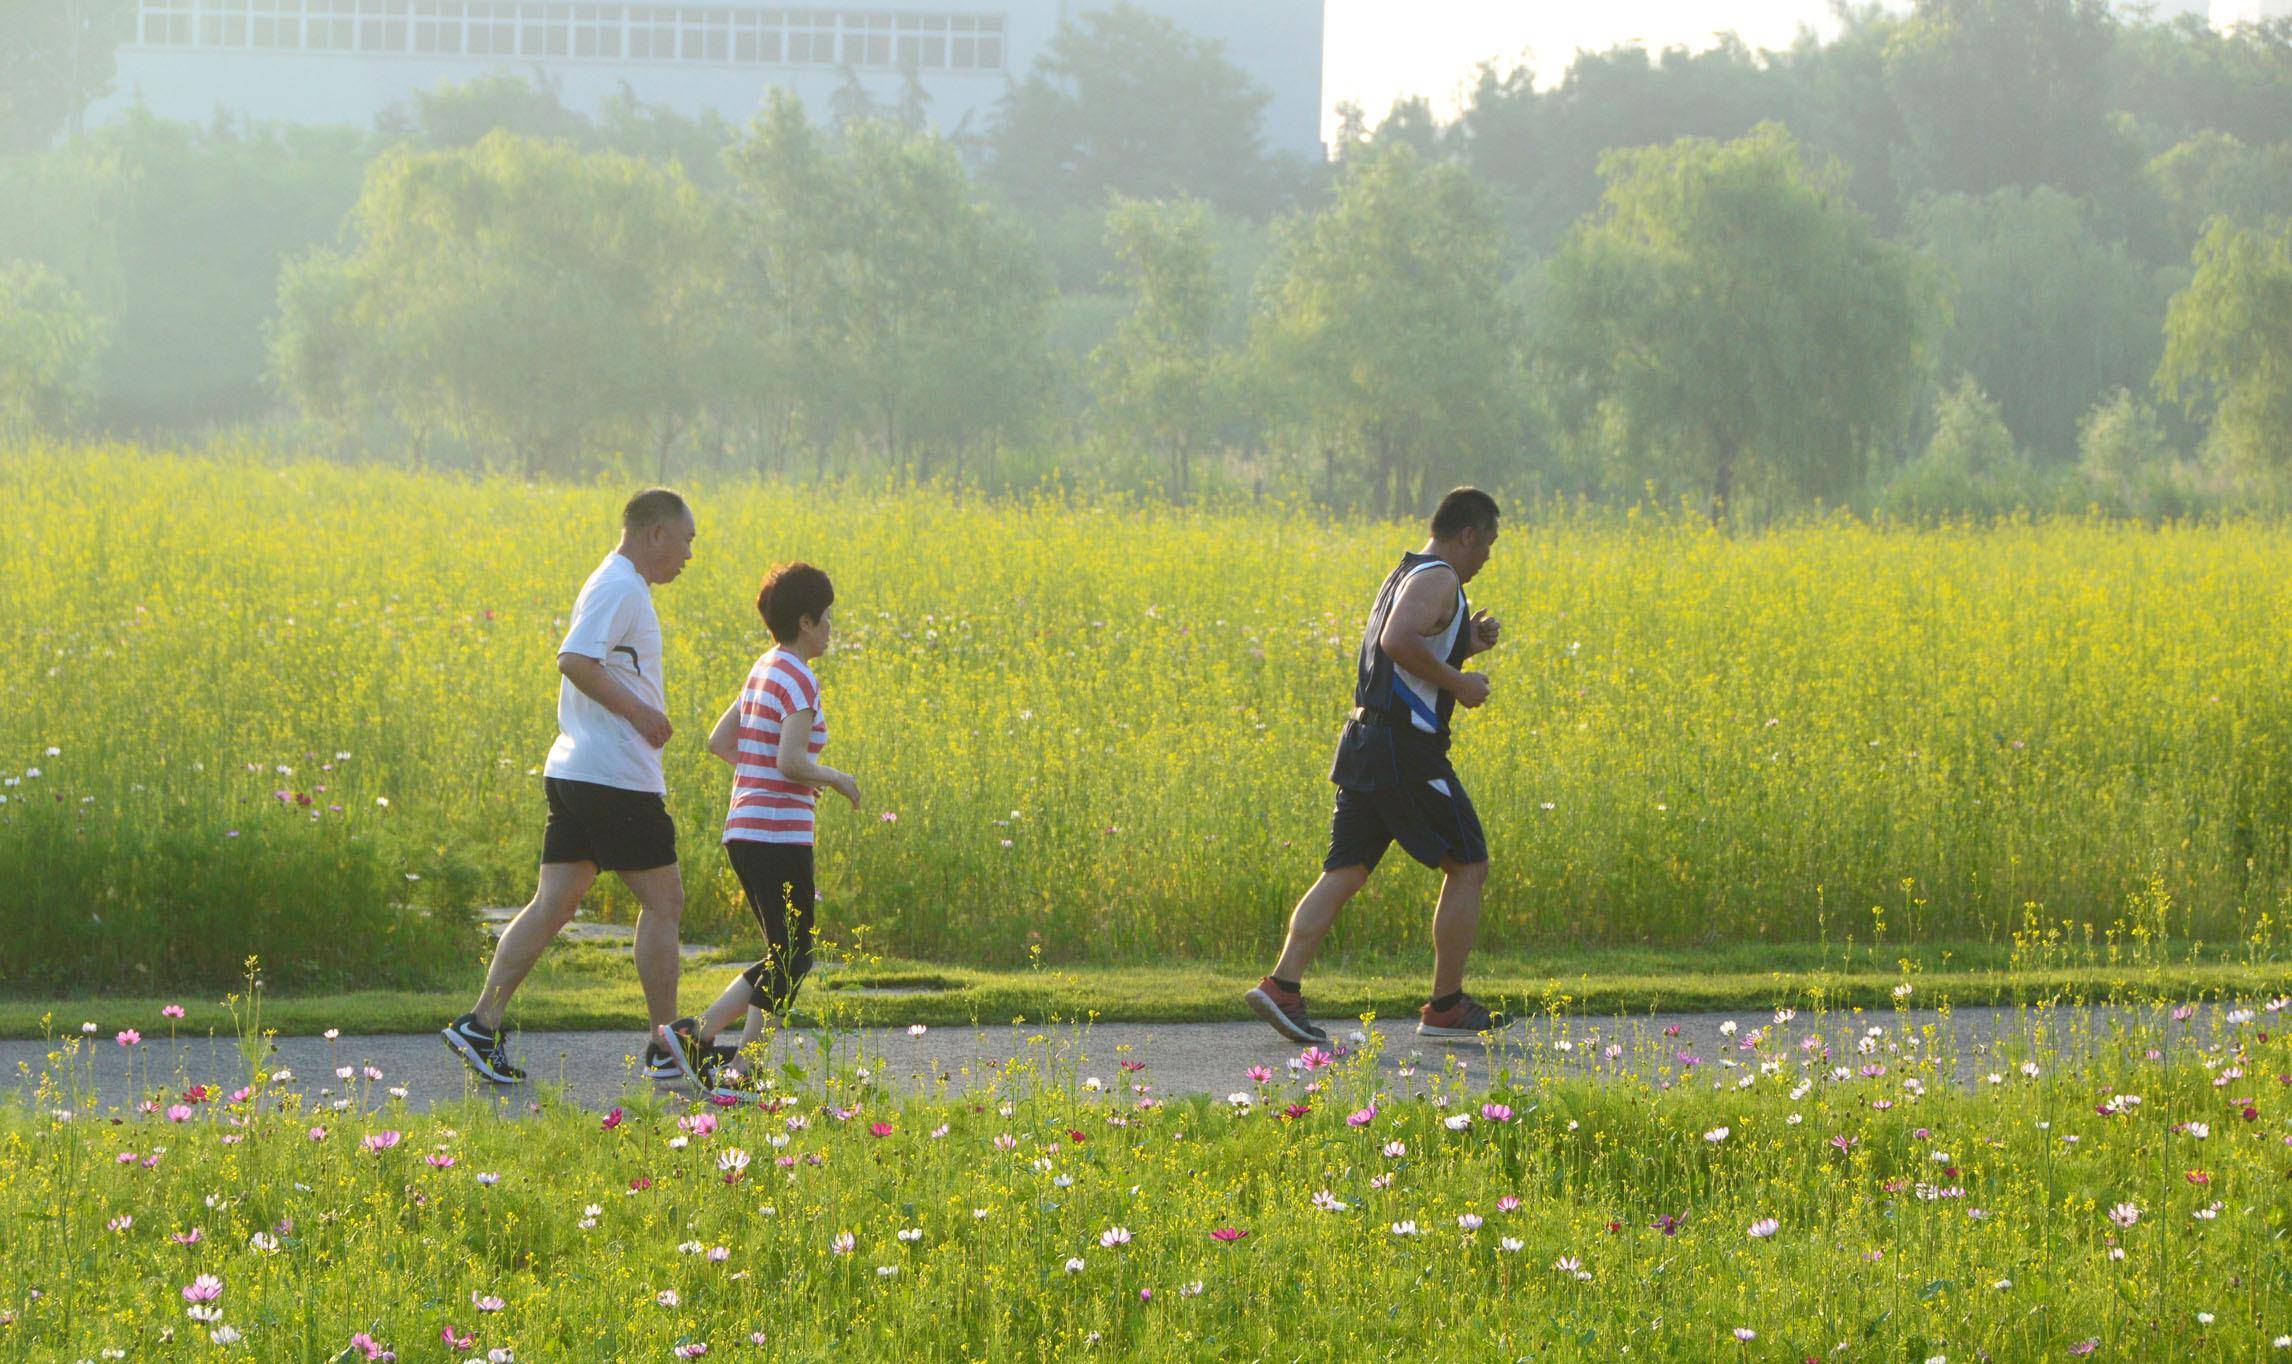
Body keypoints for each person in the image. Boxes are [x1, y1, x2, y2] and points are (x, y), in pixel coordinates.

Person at [442, 489, 696, 1083]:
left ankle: (480, 1023)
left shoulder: (618, 583)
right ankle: (666, 1045)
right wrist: (640, 713)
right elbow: (575, 660)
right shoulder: (620, 585)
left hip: (581, 771)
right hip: (613, 777)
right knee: (665, 902)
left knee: (554, 904)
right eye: (687, 539)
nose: (690, 554)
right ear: (656, 533)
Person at [1244, 487, 1509, 1046]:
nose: (1488, 555)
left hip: (1367, 741)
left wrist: (1464, 643)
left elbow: (1409, 651)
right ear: (1467, 534)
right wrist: (1460, 683)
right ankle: (1446, 1007)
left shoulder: (1407, 571)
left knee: (1346, 870)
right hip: (1405, 749)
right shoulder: (1439, 578)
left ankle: (1282, 986)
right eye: (1488, 542)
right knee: (1469, 865)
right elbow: (1396, 642)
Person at [655, 561, 859, 1091]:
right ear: (806, 622)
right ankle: (727, 1057)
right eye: (827, 617)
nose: (831, 627)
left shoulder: (764, 668)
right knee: (793, 957)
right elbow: (790, 762)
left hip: (745, 829)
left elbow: (721, 741)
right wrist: (834, 778)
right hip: (778, 835)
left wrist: (769, 776)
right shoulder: (801, 679)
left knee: (784, 954)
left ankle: (711, 1046)